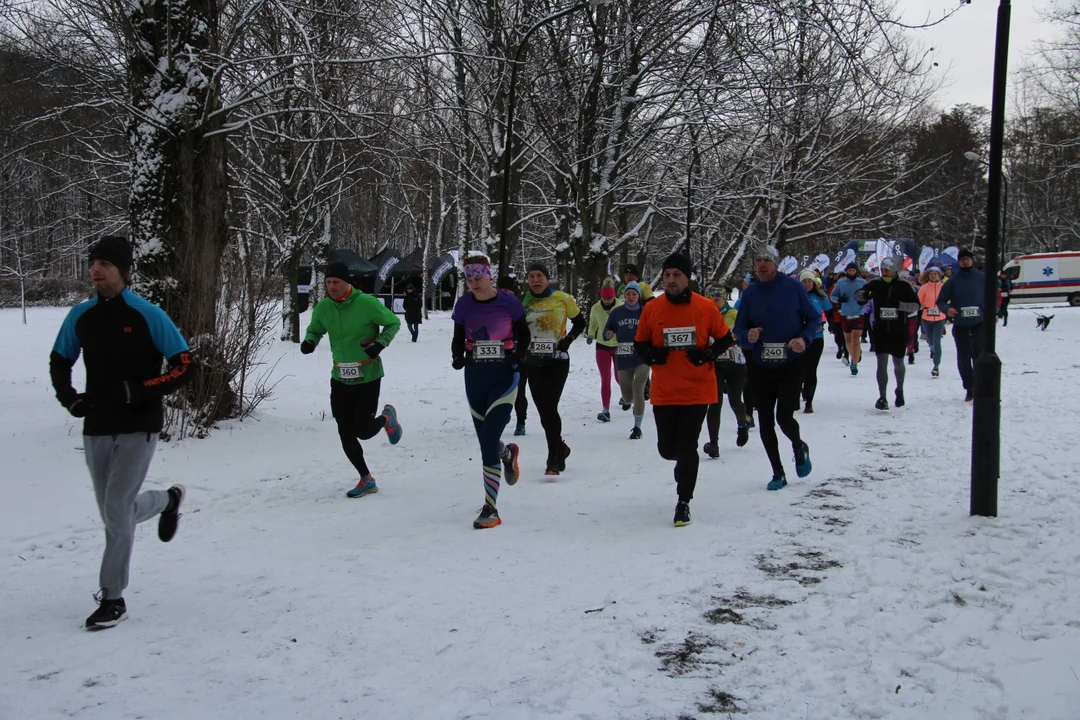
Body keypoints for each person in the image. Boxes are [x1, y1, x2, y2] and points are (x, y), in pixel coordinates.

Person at [49, 236, 197, 629]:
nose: (95, 269)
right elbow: (59, 360)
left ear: (124, 270)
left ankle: (112, 597)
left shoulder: (148, 314)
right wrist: (71, 400)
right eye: (92, 262)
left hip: (139, 425)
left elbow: (184, 365)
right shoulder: (81, 316)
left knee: (116, 511)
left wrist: (141, 391)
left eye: (104, 263)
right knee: (116, 512)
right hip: (96, 425)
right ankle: (167, 500)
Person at [634, 253, 733, 526]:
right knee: (667, 449)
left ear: (687, 277)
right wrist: (653, 356)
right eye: (667, 275)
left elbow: (726, 339)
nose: (671, 280)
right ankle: (685, 464)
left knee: (688, 445)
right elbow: (640, 344)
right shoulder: (653, 309)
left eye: (677, 275)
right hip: (665, 390)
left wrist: (707, 354)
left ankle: (683, 501)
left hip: (697, 389)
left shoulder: (705, 307)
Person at [302, 261, 402, 498]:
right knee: (345, 431)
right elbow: (315, 329)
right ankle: (366, 479)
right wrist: (310, 341)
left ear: (348, 282)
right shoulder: (324, 307)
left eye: (336, 282)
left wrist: (380, 343)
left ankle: (387, 417)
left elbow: (393, 322)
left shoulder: (366, 303)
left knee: (364, 431)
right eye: (328, 282)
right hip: (340, 378)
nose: (332, 286)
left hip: (367, 376)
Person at [450, 256, 531, 528]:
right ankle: (507, 453)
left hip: (505, 374)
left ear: (489, 276)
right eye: (469, 279)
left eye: (478, 278)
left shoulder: (509, 302)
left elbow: (524, 334)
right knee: (487, 437)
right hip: (475, 375)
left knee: (487, 440)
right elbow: (458, 336)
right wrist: (457, 356)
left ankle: (490, 509)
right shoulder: (464, 305)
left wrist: (519, 356)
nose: (473, 283)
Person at [734, 247, 820, 491]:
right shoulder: (750, 293)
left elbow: (813, 319)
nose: (762, 265)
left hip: (789, 363)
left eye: (767, 261)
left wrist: (803, 339)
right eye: (758, 260)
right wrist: (747, 335)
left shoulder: (793, 288)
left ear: (776, 264)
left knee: (784, 416)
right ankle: (778, 472)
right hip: (760, 364)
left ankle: (798, 445)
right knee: (765, 420)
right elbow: (739, 328)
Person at [520, 262, 586, 474]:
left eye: (539, 275)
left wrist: (568, 340)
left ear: (547, 278)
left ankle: (553, 457)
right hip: (532, 362)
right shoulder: (523, 301)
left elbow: (580, 323)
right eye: (531, 276)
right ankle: (560, 448)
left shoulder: (563, 299)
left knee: (549, 406)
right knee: (544, 410)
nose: (535, 280)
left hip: (557, 360)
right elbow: (517, 328)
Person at [855, 257, 920, 410]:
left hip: (899, 330)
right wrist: (865, 295)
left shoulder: (904, 285)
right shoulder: (875, 284)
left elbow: (915, 305)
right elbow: (858, 295)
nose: (884, 273)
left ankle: (900, 390)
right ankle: (882, 397)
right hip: (880, 329)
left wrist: (899, 305)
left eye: (887, 270)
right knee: (881, 364)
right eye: (882, 270)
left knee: (898, 363)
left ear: (895, 270)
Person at [701, 285, 749, 457]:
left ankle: (742, 425)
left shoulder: (734, 315)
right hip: (715, 365)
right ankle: (714, 443)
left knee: (735, 400)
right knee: (714, 403)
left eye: (717, 299)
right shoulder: (703, 315)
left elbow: (744, 335)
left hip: (735, 363)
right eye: (710, 300)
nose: (713, 303)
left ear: (723, 299)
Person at [936, 249, 985, 402]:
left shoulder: (982, 278)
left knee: (980, 357)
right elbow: (941, 301)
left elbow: (993, 296)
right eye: (962, 259)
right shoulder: (953, 281)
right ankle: (969, 388)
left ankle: (980, 387)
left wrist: (993, 313)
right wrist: (947, 309)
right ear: (959, 262)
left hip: (979, 324)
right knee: (964, 359)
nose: (965, 262)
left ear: (972, 260)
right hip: (961, 325)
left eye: (967, 259)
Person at [604, 281, 649, 439]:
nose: (630, 297)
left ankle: (637, 427)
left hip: (642, 356)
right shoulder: (616, 313)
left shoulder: (645, 312)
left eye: (634, 294)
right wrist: (608, 334)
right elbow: (607, 329)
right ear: (623, 295)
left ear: (639, 296)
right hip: (623, 356)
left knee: (638, 388)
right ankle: (630, 401)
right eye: (628, 294)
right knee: (628, 396)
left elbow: (653, 330)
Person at [587, 278, 621, 422]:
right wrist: (590, 334)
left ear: (614, 296)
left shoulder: (620, 307)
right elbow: (593, 322)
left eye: (610, 298)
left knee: (620, 376)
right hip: (602, 345)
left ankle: (627, 397)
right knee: (605, 378)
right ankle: (606, 410)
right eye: (605, 298)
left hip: (619, 346)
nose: (607, 301)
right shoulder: (596, 308)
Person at [799, 270, 832, 413]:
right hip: (798, 338)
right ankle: (798, 393)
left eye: (809, 281)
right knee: (799, 369)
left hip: (816, 338)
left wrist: (833, 326)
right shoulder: (796, 297)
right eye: (804, 282)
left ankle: (809, 401)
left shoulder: (821, 297)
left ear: (814, 283)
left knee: (811, 369)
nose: (807, 284)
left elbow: (830, 311)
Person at [829, 262, 867, 376]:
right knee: (848, 340)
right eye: (849, 271)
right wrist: (839, 300)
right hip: (845, 313)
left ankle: (854, 363)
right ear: (846, 271)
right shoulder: (840, 283)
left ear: (856, 271)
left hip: (859, 312)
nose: (851, 272)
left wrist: (864, 300)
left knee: (856, 339)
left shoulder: (862, 282)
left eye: (853, 271)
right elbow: (832, 296)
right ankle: (853, 356)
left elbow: (868, 295)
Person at [918, 266, 947, 378]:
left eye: (935, 274)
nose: (933, 276)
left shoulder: (943, 287)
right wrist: (921, 306)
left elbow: (948, 299)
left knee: (937, 340)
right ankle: (933, 349)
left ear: (939, 275)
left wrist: (946, 307)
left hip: (940, 317)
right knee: (930, 340)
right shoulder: (924, 287)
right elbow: (918, 301)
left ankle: (936, 366)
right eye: (931, 274)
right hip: (927, 317)